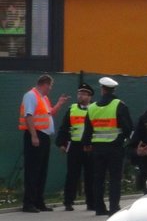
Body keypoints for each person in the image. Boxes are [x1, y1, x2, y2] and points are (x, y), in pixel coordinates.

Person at [82, 77, 133, 216]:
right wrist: (126, 139)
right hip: (115, 147)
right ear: (114, 89)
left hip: (97, 149)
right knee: (115, 179)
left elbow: (87, 129)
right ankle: (114, 207)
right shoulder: (119, 105)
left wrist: (86, 144)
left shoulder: (92, 108)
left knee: (98, 178)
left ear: (102, 89)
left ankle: (99, 207)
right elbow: (128, 127)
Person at [19, 74, 69, 213]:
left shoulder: (44, 98)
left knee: (41, 170)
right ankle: (28, 203)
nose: (50, 89)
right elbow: (28, 116)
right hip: (35, 135)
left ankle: (38, 201)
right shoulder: (31, 95)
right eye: (50, 86)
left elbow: (49, 113)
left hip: (44, 136)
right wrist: (34, 136)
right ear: (45, 84)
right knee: (33, 170)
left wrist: (59, 103)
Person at [55, 82, 96, 211]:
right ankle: (68, 201)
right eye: (79, 93)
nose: (81, 96)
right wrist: (62, 143)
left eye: (84, 94)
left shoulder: (95, 109)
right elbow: (64, 127)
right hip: (75, 146)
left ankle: (91, 202)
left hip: (90, 146)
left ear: (90, 96)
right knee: (72, 175)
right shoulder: (72, 109)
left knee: (91, 175)